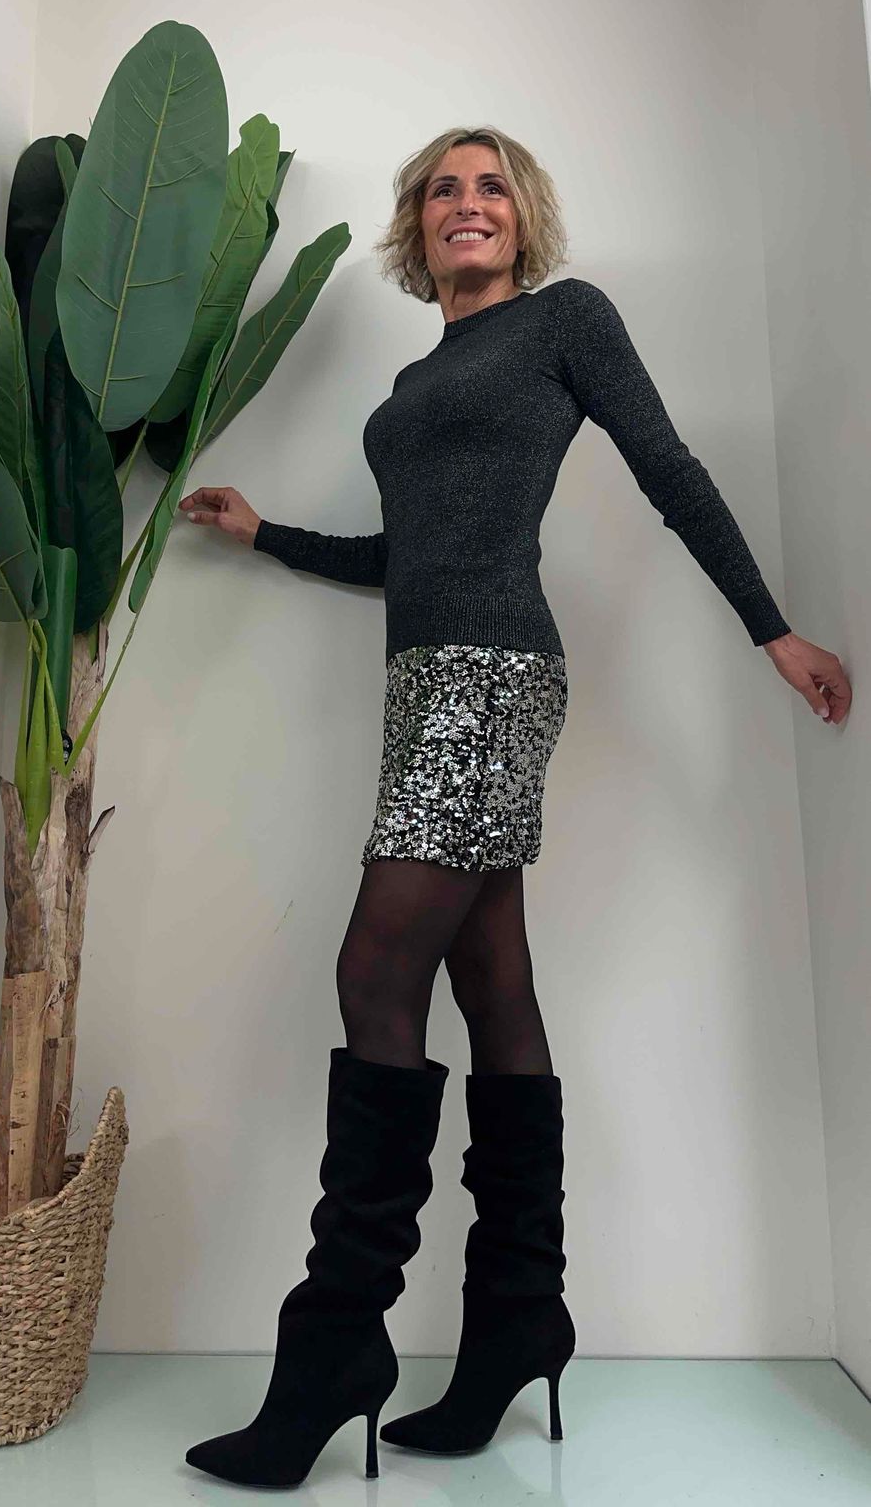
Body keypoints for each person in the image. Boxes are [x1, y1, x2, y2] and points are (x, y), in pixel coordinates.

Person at [180, 128, 852, 1486]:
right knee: (493, 987)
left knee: (375, 969)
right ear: (416, 228)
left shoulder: (564, 321)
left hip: (490, 675)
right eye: (443, 189)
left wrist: (768, 629)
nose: (466, 204)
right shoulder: (413, 380)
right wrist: (267, 537)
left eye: (490, 186)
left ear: (523, 216)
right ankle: (515, 1326)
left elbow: (668, 468)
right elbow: (408, 554)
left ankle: (332, 1353)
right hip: (427, 677)